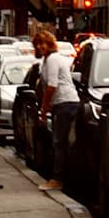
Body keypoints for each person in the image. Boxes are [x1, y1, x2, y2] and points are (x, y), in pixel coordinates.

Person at [33, 27, 78, 193]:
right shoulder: (46, 60)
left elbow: (52, 85)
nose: (40, 47)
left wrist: (44, 108)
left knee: (60, 142)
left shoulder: (53, 59)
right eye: (38, 44)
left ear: (50, 44)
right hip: (62, 103)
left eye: (43, 43)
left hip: (65, 102)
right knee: (61, 141)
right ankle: (62, 177)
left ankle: (57, 179)